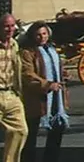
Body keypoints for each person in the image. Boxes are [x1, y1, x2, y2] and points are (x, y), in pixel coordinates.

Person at [20, 24, 67, 162]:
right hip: (36, 99)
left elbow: (56, 67)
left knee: (57, 131)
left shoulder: (51, 50)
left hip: (56, 98)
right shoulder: (27, 52)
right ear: (32, 36)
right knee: (31, 136)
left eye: (45, 34)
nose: (42, 37)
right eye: (38, 35)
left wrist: (63, 75)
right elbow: (27, 74)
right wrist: (47, 84)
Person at [0, 14, 27, 162]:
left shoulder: (14, 45)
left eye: (12, 26)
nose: (10, 29)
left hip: (11, 93)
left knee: (20, 131)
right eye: (6, 26)